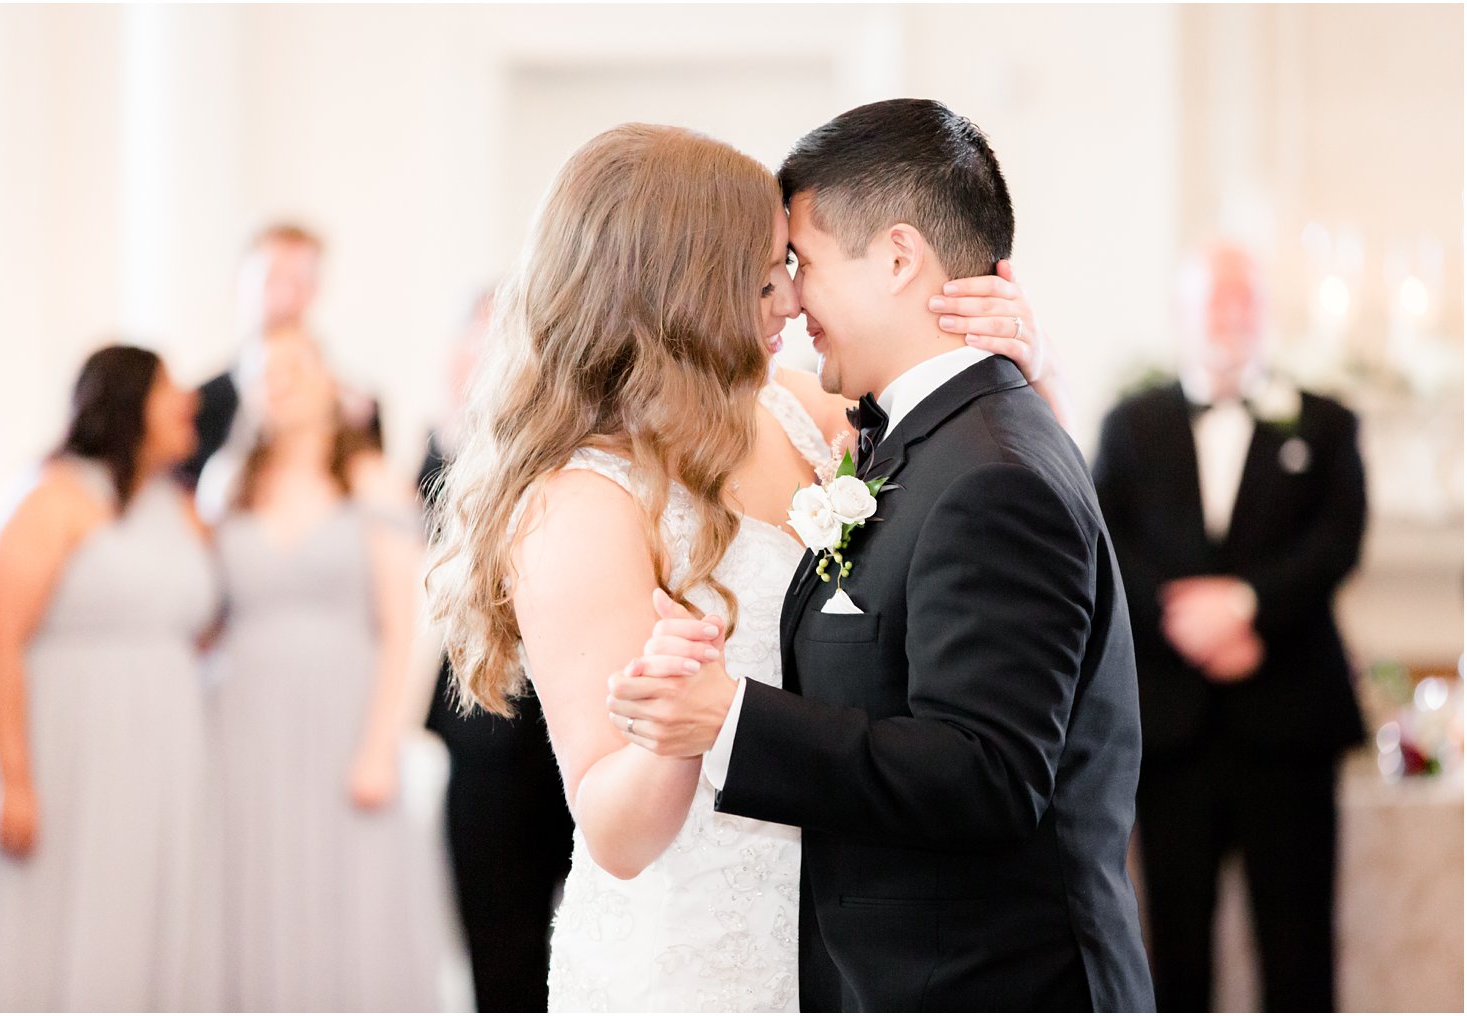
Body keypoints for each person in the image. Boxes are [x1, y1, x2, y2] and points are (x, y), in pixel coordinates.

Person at [427, 120, 1063, 1012]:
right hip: (694, 954)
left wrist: (1015, 372)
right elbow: (612, 828)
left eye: (792, 272)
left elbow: (967, 502)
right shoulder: (580, 501)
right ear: (678, 286)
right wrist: (683, 723)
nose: (791, 304)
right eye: (766, 278)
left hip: (849, 927)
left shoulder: (798, 409)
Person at [605, 99, 1155, 1012]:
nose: (787, 301)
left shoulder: (991, 473)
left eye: (802, 264)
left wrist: (730, 717)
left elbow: (987, 774)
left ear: (899, 257)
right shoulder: (921, 439)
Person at [1092, 242, 1367, 1011]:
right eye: (1215, 299)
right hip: (1171, 733)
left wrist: (1245, 607)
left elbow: (1337, 542)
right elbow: (1104, 540)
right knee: (1175, 956)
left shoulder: (1328, 422)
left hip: (1289, 727)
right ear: (1180, 315)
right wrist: (1184, 617)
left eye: (1246, 300)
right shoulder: (1129, 425)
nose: (1231, 316)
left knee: (1300, 951)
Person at [0, 345, 222, 1011]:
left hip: (167, 752)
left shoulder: (182, 508)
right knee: (67, 908)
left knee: (148, 909)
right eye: (170, 390)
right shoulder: (52, 499)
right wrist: (14, 779)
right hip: (71, 751)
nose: (189, 401)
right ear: (132, 404)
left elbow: (206, 620)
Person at [206, 329, 464, 1011]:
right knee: (253, 887)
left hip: (344, 716)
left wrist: (382, 747)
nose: (278, 381)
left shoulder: (369, 480)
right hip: (243, 720)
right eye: (262, 372)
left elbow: (401, 626)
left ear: (329, 381)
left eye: (294, 366)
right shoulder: (227, 483)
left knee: (344, 885)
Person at [418, 287, 575, 1014]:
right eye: (478, 349)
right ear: (455, 360)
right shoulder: (425, 464)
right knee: (500, 946)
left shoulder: (566, 454)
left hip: (568, 725)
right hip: (482, 735)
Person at [181, 222, 381, 498]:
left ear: (317, 289)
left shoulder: (359, 408)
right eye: (271, 280)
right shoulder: (198, 405)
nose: (286, 298)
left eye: (300, 283)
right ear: (240, 283)